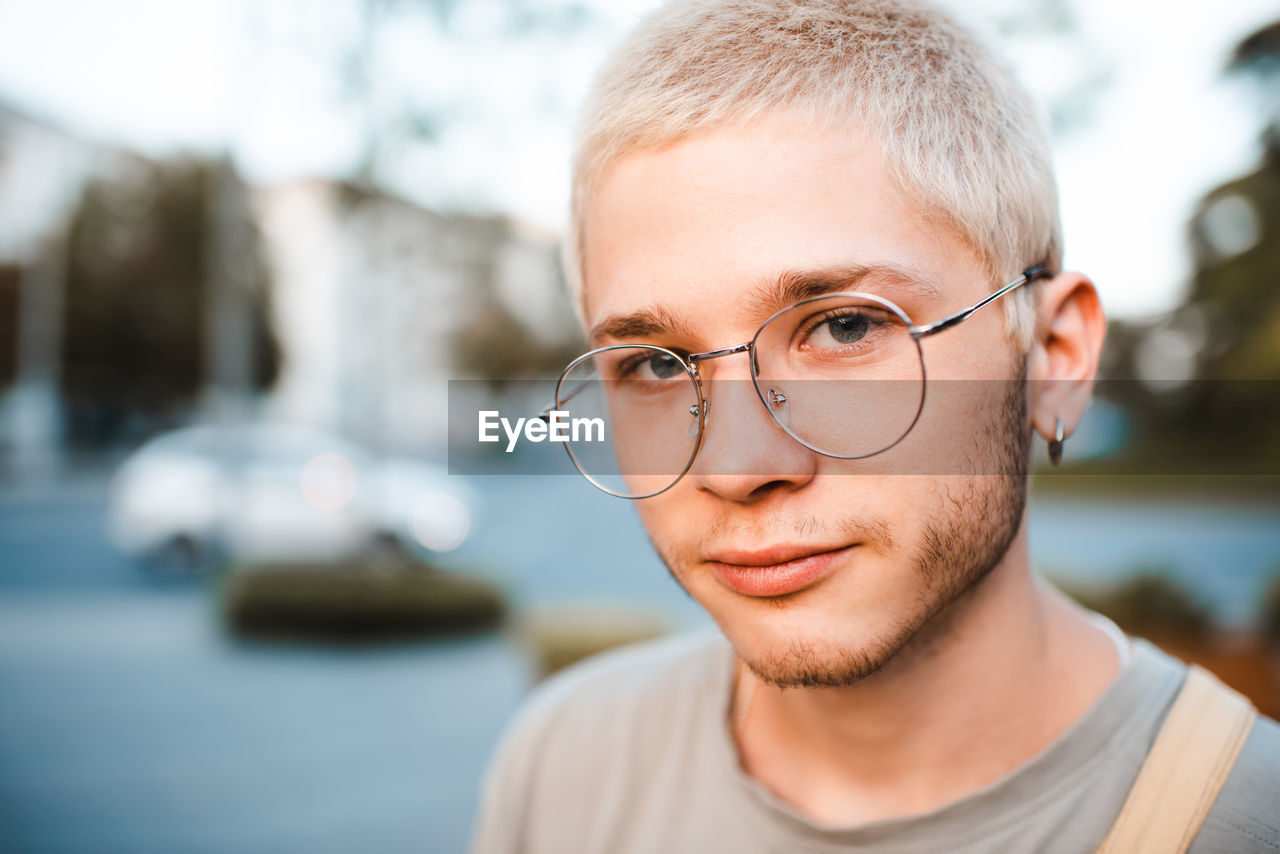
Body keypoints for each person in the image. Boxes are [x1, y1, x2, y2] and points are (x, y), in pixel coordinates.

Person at [470, 1, 1280, 851]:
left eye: (845, 327)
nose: (738, 467)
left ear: (1052, 355)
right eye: (656, 365)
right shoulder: (563, 766)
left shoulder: (1246, 820)